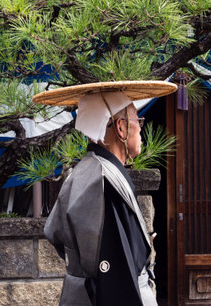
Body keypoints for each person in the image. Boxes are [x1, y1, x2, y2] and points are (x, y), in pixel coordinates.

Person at [32, 81, 177, 306]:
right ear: (121, 128)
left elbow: (57, 234)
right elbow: (115, 276)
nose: (141, 129)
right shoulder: (103, 181)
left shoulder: (85, 170)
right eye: (137, 121)